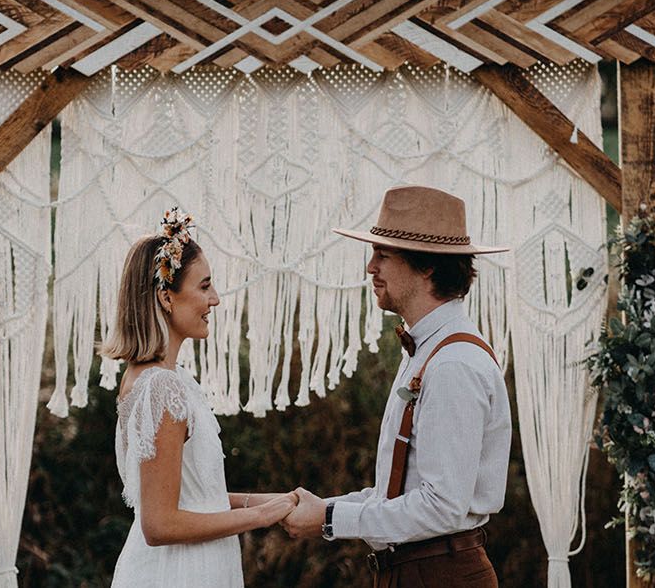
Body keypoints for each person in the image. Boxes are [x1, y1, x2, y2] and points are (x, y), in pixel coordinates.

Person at [281, 186, 512, 587]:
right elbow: (402, 491)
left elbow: (442, 506)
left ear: (426, 267)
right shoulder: (427, 351)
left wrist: (331, 520)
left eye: (383, 255)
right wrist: (326, 508)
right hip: (415, 571)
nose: (371, 267)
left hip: (442, 574)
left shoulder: (453, 364)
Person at [106, 208, 298, 588]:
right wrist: (259, 519)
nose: (215, 300)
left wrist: (278, 502)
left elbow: (197, 497)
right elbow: (160, 524)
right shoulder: (161, 388)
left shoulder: (162, 379)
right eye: (204, 286)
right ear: (166, 297)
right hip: (178, 573)